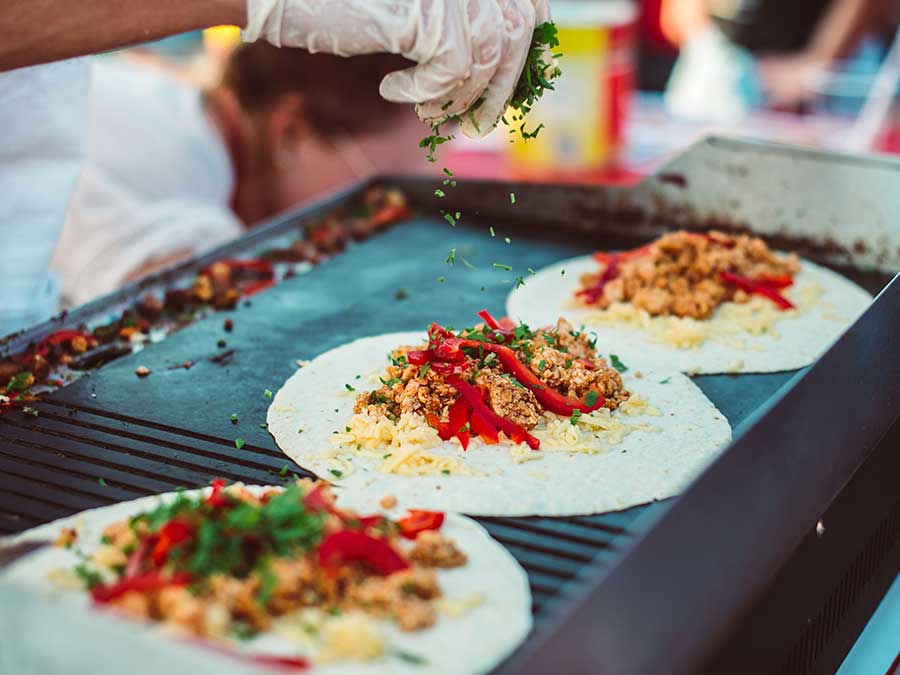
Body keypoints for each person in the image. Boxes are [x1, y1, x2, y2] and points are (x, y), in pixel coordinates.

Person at [0, 0, 552, 334]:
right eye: (385, 184)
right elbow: (154, 272)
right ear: (292, 131)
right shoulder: (165, 159)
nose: (390, 211)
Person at [53, 46, 426, 305]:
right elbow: (152, 299)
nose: (383, 216)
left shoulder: (180, 115)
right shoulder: (168, 172)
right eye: (379, 190)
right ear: (290, 134)